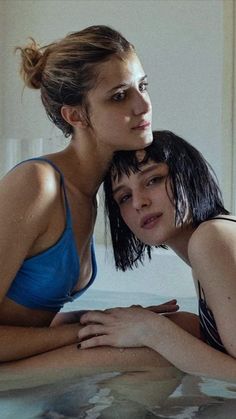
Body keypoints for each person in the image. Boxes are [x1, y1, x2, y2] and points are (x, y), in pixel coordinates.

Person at [0, 26, 181, 390]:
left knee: (172, 335)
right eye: (118, 96)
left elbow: (25, 319)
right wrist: (84, 331)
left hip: (18, 363)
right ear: (75, 117)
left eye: (142, 86)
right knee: (157, 356)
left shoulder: (89, 193)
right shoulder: (38, 185)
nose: (143, 105)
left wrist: (100, 320)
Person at [78, 130, 236, 382]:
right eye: (125, 197)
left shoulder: (212, 238)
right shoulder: (211, 242)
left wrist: (151, 331)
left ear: (190, 174)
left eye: (153, 180)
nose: (139, 202)